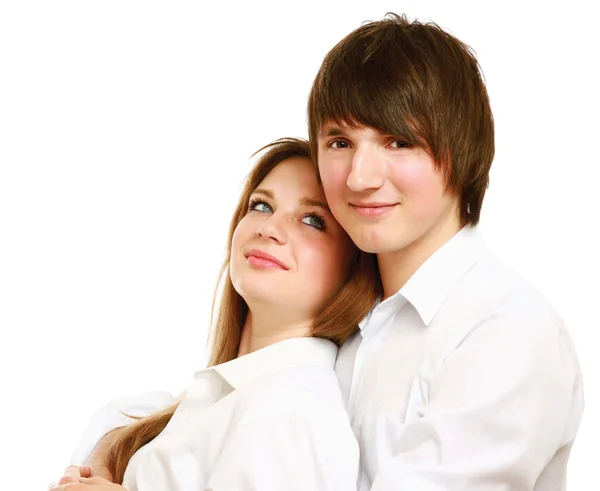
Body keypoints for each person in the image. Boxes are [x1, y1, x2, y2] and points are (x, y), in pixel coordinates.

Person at [307, 12, 583, 491]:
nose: (359, 177)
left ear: (461, 151)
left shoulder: (506, 331)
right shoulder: (341, 312)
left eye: (399, 142)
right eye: (339, 142)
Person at [49, 138, 380, 490]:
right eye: (262, 206)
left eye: (312, 220)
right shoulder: (200, 404)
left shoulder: (290, 411)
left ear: (355, 267)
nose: (268, 228)